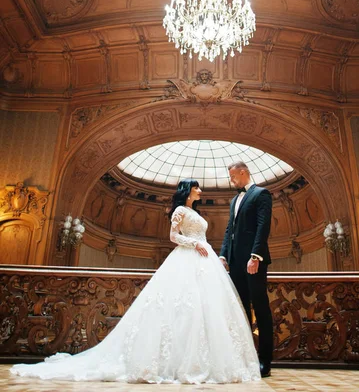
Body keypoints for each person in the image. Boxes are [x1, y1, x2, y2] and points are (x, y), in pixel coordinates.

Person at [11, 179, 260, 384]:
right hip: (188, 256)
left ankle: (207, 360)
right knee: (181, 307)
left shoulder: (195, 212)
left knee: (205, 310)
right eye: (197, 188)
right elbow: (173, 236)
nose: (200, 190)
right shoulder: (180, 211)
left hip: (205, 261)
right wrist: (194, 243)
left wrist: (203, 246)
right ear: (188, 190)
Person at [219, 162, 273, 378]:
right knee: (240, 311)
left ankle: (265, 361)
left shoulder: (261, 194)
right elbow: (229, 229)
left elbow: (263, 225)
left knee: (260, 309)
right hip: (235, 263)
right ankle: (244, 358)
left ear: (243, 172)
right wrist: (223, 255)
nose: (231, 180)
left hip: (253, 262)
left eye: (232, 176)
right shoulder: (234, 200)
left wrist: (255, 256)